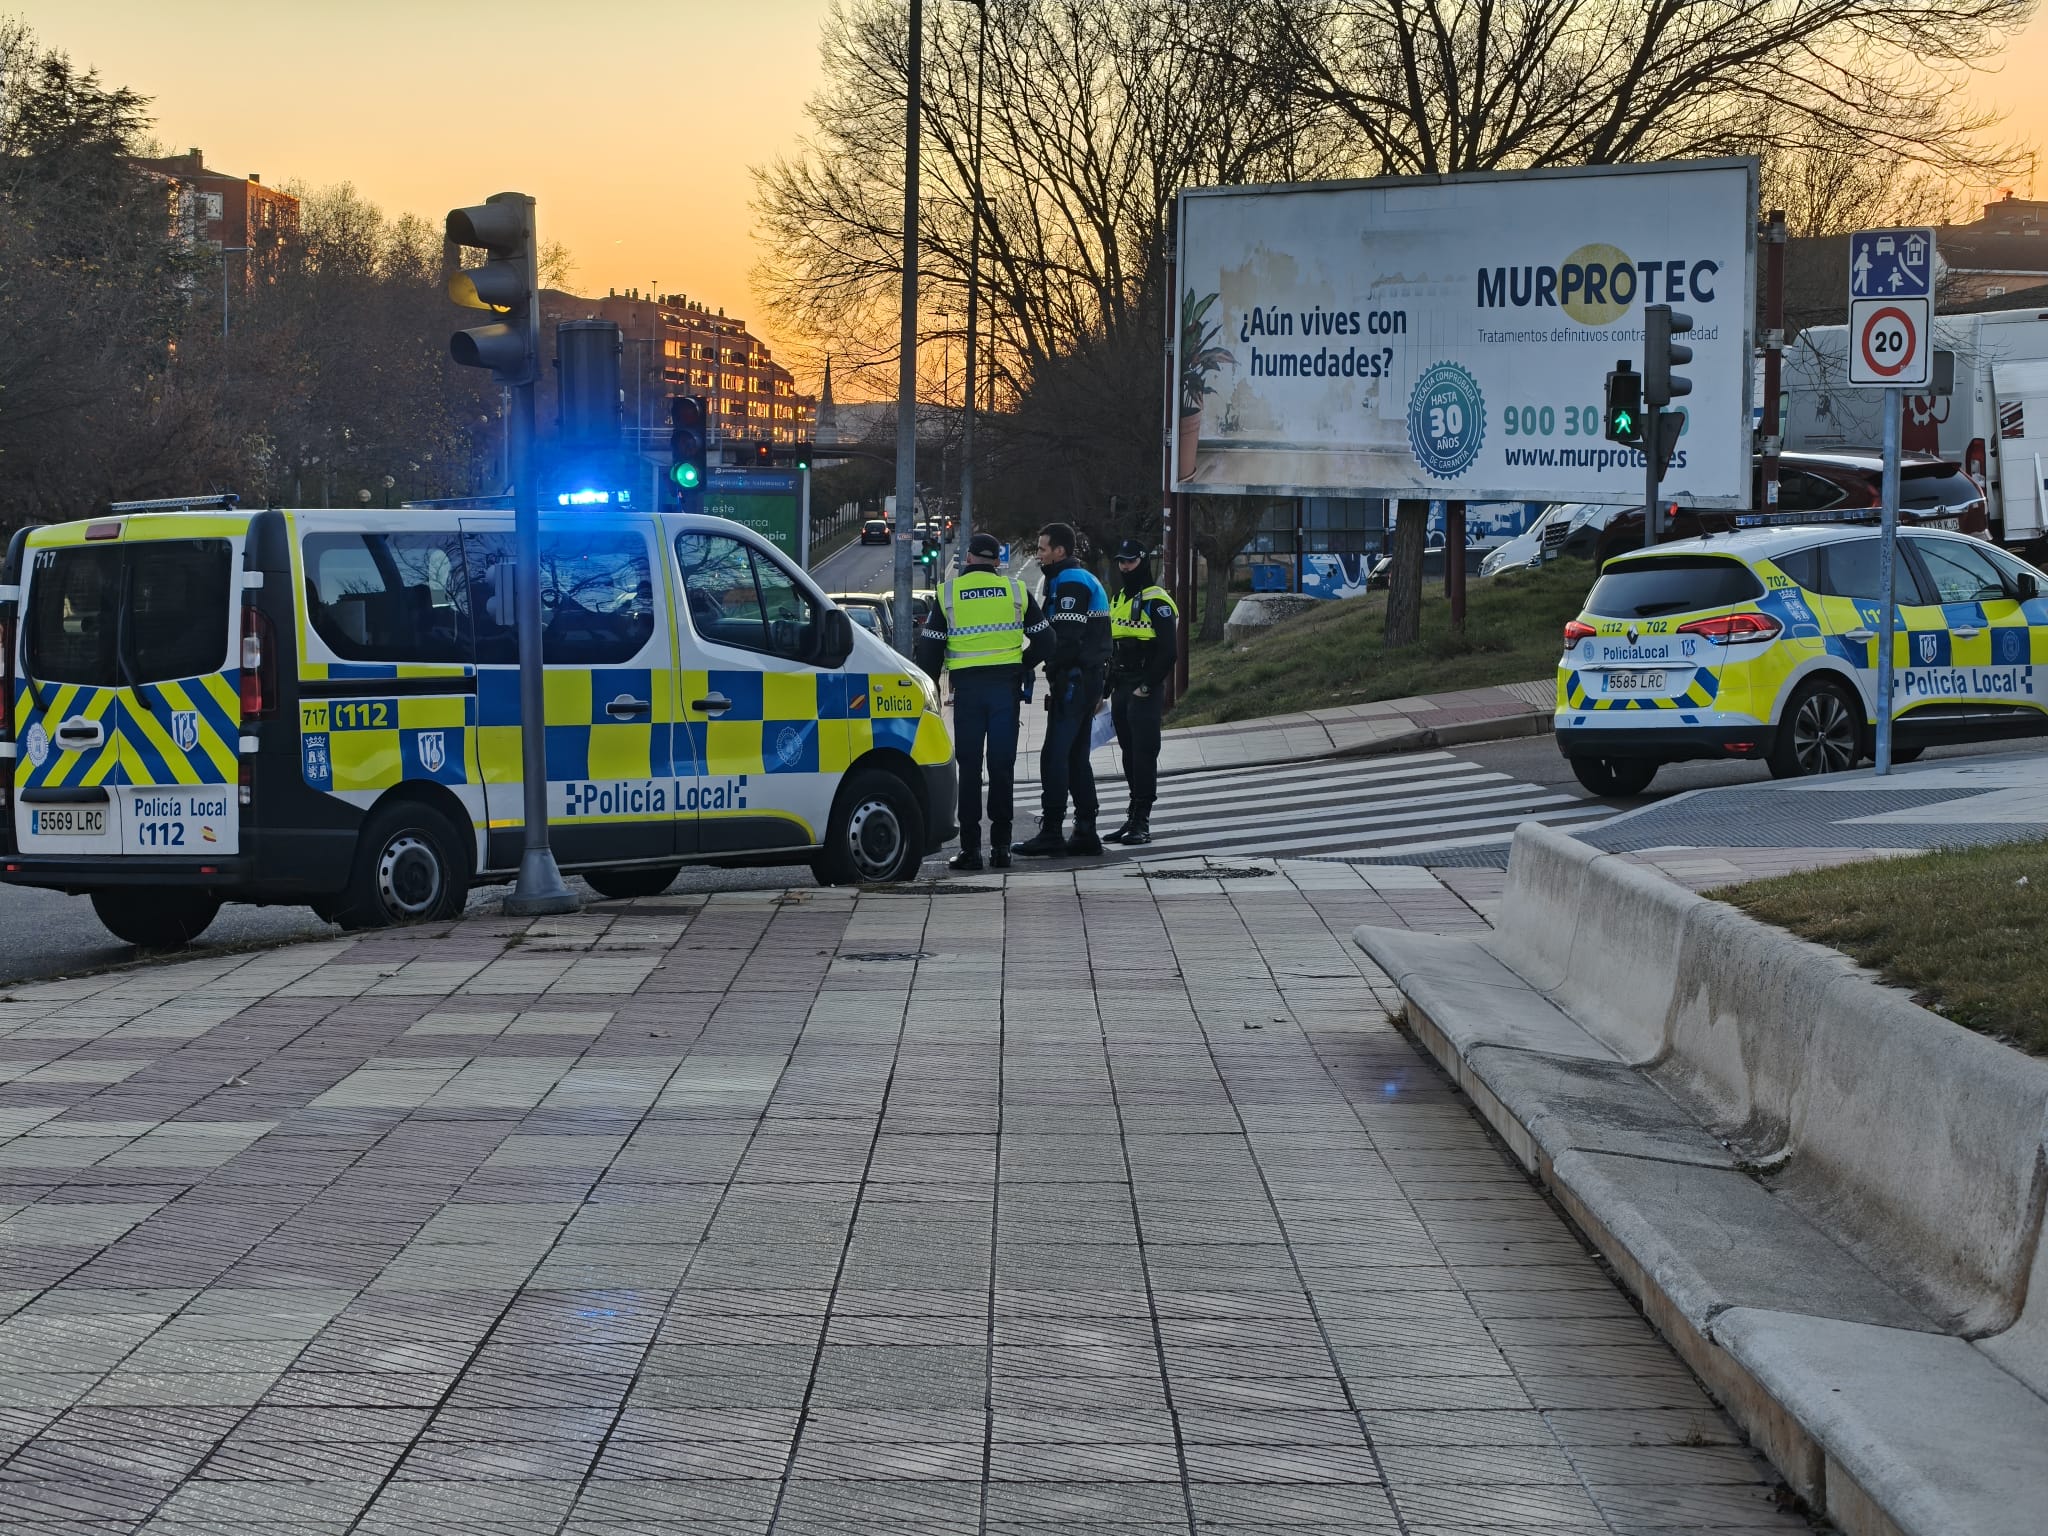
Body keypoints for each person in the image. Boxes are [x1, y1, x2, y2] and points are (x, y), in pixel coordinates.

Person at [915, 532, 1052, 871]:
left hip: (968, 695)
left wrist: (927, 692)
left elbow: (929, 653)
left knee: (971, 771)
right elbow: (1048, 640)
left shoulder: (949, 594)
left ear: (970, 559)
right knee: (1002, 770)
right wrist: (1022, 665)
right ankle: (1002, 849)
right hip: (1005, 691)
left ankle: (971, 850)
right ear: (997, 561)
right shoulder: (1015, 591)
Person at [1013, 521, 1111, 858]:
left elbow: (1065, 638)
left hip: (1075, 678)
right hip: (1085, 678)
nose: (1039, 554)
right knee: (1074, 757)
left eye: (1042, 548)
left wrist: (1043, 663)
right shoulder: (1075, 578)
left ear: (1060, 551)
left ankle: (1053, 831)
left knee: (1054, 755)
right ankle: (1086, 830)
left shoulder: (1070, 581)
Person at [1105, 539, 1179, 845]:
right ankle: (1132, 815)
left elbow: (1168, 651)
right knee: (1128, 753)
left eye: (1131, 562)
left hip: (1143, 685)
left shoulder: (1157, 601)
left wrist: (1147, 686)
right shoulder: (1119, 596)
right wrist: (1107, 684)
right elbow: (1112, 643)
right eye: (1121, 562)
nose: (1125, 567)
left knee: (1144, 753)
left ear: (1143, 562)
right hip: (1121, 683)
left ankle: (1142, 822)